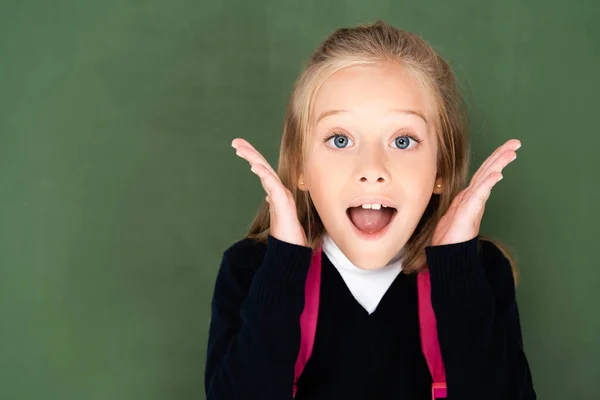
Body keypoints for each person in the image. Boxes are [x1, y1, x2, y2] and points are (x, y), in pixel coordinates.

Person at [204, 20, 536, 399]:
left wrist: (456, 266)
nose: (372, 170)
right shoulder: (251, 269)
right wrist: (283, 264)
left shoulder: (479, 270)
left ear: (440, 168)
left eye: (403, 140)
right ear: (300, 168)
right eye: (341, 139)